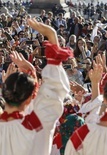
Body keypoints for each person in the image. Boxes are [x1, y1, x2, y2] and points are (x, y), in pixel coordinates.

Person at [0, 18, 72, 155]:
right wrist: (51, 36)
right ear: (29, 100)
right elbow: (54, 90)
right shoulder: (36, 124)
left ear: (3, 92)